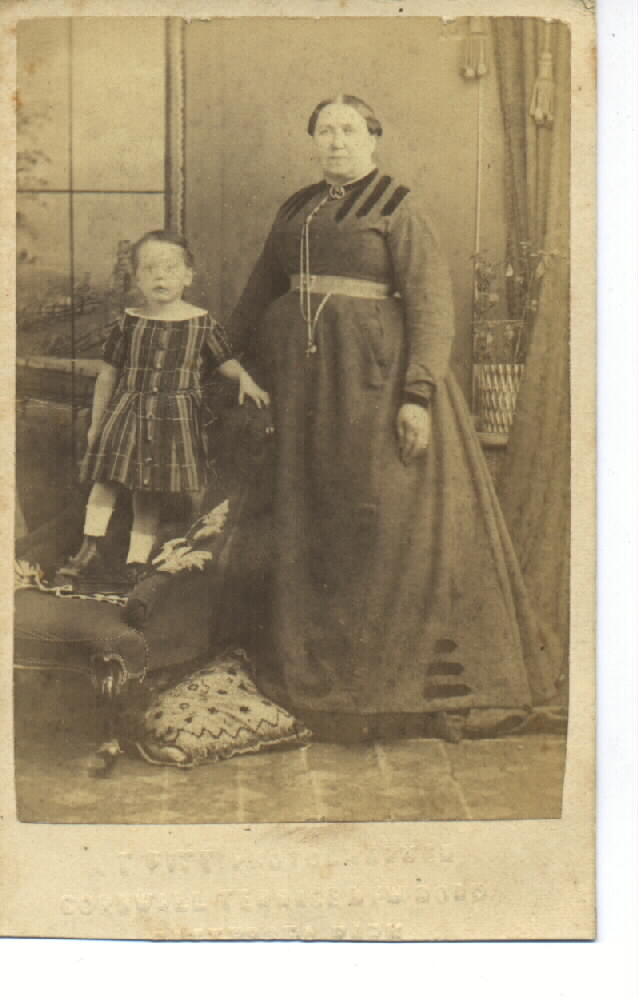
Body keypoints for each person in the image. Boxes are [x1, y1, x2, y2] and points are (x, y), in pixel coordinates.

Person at [228, 94, 558, 740]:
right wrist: (222, 354)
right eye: (325, 130)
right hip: (305, 391)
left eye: (349, 130)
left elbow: (432, 306)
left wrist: (418, 395)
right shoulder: (296, 208)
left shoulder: (397, 206)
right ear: (313, 139)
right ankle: (318, 665)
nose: (336, 141)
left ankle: (384, 679)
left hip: (375, 388)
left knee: (376, 521)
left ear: (373, 139)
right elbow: (259, 289)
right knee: (312, 517)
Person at [58, 230, 270, 589]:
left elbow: (225, 362)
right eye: (150, 269)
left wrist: (245, 380)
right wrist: (97, 423)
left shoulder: (201, 323)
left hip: (174, 418)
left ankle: (136, 561)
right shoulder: (128, 323)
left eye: (170, 268)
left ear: (188, 276)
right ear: (137, 279)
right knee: (105, 481)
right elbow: (108, 374)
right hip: (128, 412)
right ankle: (88, 549)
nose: (160, 276)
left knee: (149, 492)